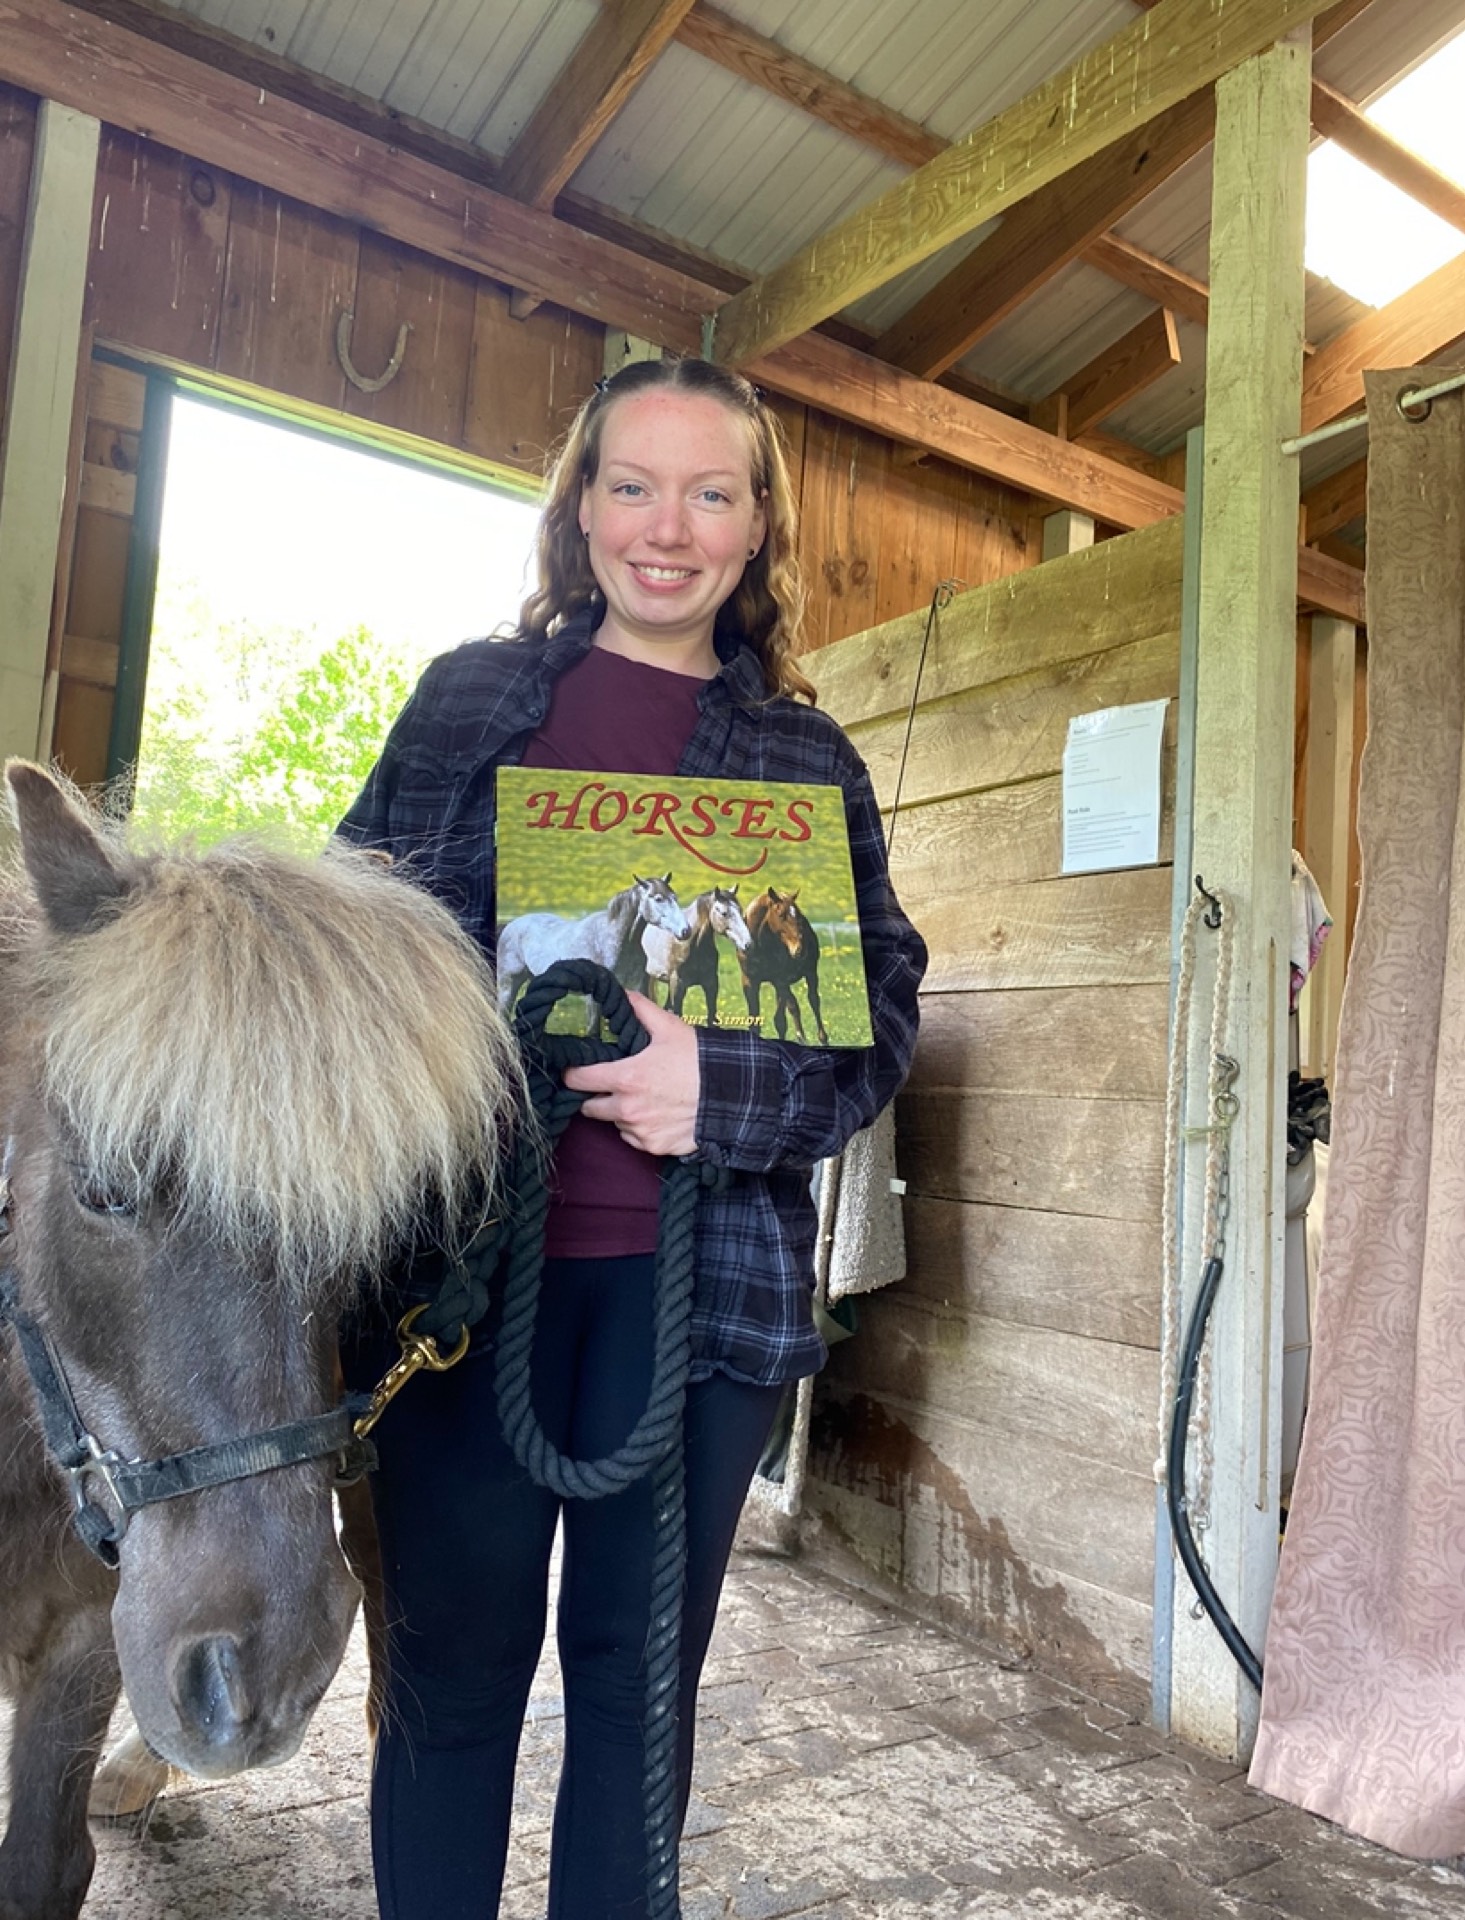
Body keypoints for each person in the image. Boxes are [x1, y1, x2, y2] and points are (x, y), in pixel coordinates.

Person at [337, 354, 926, 1920]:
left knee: (634, 1691)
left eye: (711, 493)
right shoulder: (466, 703)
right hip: (463, 1287)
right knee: (451, 1681)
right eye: (634, 486)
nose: (668, 529)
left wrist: (715, 1093)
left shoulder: (808, 761)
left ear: (756, 525)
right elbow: (354, 940)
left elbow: (878, 1011)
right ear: (582, 508)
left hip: (701, 1298)